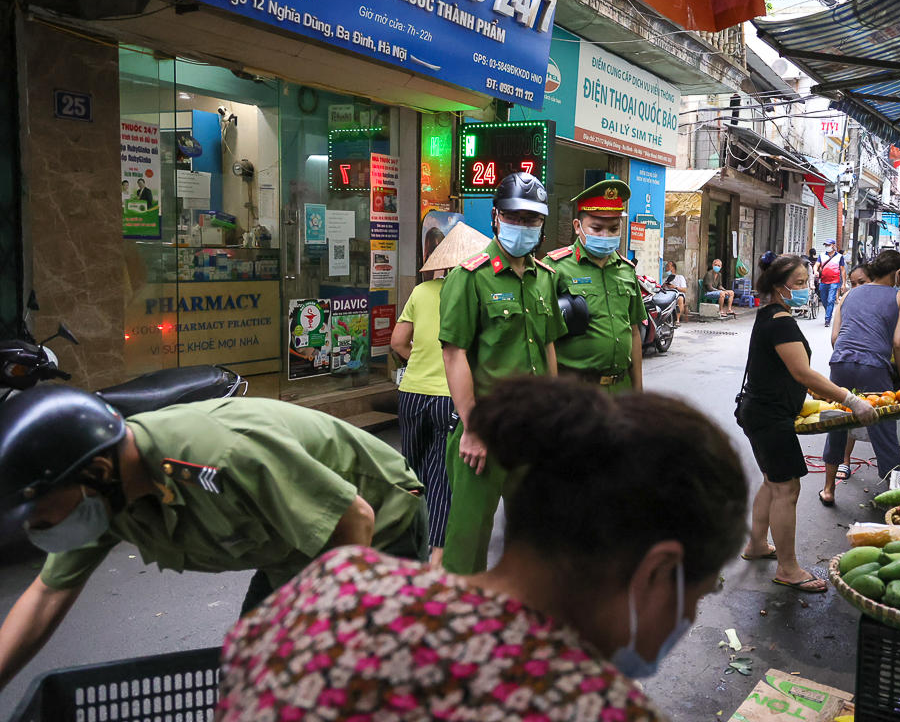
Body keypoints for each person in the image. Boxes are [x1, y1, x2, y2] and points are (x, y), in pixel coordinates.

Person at [216, 376, 749, 721]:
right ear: (658, 572)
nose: (688, 619)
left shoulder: (332, 587)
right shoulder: (595, 708)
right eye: (696, 599)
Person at [0, 388, 428, 692]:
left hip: (376, 529)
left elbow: (355, 518)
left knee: (357, 680)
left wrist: (332, 641)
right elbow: (44, 597)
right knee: (251, 669)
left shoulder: (221, 457)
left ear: (96, 473)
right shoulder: (106, 497)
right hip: (291, 548)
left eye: (39, 515)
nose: (37, 529)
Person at [438, 173, 567, 575]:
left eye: (532, 220)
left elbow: (548, 347)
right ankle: (460, 624)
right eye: (515, 217)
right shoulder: (470, 277)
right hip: (486, 432)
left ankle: (518, 616)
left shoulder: (545, 278)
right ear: (496, 216)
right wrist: (472, 427)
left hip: (533, 429)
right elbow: (453, 353)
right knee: (468, 541)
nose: (523, 227)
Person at [737, 252, 878, 593]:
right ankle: (788, 568)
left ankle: (757, 544)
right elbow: (803, 373)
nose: (806, 288)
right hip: (769, 416)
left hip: (758, 410)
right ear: (778, 286)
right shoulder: (781, 321)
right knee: (787, 488)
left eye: (807, 281)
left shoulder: (770, 313)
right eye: (799, 283)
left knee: (773, 481)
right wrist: (850, 399)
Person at [391, 223, 491, 569]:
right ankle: (437, 557)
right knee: (443, 479)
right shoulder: (478, 294)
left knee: (411, 472)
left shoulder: (422, 292)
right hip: (451, 399)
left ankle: (404, 545)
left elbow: (397, 342)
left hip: (412, 396)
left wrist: (419, 363)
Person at [823, 250, 900, 505]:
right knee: (883, 426)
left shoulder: (849, 294)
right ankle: (892, 491)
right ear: (898, 274)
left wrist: (848, 359)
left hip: (840, 362)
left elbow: (834, 338)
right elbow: (899, 342)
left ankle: (829, 489)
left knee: (837, 422)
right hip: (874, 366)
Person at [544, 179, 647, 394]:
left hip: (621, 390)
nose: (605, 236)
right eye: (597, 228)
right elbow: (543, 337)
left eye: (613, 229)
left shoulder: (626, 270)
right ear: (577, 227)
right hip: (576, 392)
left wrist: (638, 393)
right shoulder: (554, 269)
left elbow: (634, 332)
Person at [829, 264, 870, 482]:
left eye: (861, 282)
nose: (856, 288)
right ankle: (843, 462)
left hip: (852, 361)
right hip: (853, 361)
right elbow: (835, 337)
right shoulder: (846, 300)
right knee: (843, 413)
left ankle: (843, 463)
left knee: (850, 414)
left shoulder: (880, 301)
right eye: (853, 284)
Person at [815, 239, 844, 327]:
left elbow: (843, 270)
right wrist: (815, 271)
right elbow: (816, 265)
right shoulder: (822, 255)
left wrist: (843, 283)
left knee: (831, 300)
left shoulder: (839, 256)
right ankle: (828, 311)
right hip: (823, 281)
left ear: (833, 246)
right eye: (826, 245)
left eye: (829, 245)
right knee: (824, 300)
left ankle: (827, 318)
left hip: (834, 281)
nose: (827, 247)